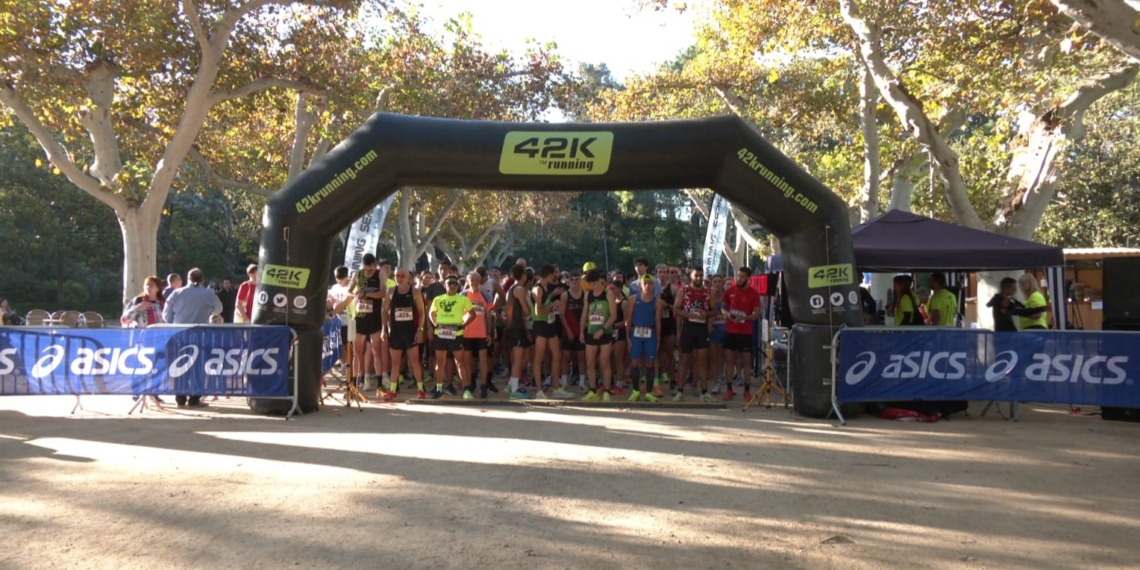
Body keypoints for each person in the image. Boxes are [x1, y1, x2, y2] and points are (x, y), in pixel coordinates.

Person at [163, 268, 223, 407]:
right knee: (198, 366)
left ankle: (180, 396)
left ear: (188, 278)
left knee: (179, 363)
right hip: (201, 335)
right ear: (202, 279)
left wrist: (174, 322)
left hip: (179, 333)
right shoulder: (208, 293)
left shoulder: (177, 293)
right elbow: (219, 309)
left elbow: (166, 315)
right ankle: (195, 398)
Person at [381, 267, 426, 399]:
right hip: (395, 331)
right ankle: (393, 390)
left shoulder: (415, 292)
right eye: (397, 276)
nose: (399, 278)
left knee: (415, 362)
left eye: (402, 276)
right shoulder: (390, 291)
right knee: (395, 363)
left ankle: (420, 389)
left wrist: (420, 329)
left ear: (409, 279)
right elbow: (385, 311)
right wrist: (384, 329)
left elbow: (422, 312)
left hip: (410, 331)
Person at [428, 275, 476, 399]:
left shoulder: (463, 299)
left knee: (460, 362)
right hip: (441, 334)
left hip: (456, 334)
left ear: (458, 285)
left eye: (455, 283)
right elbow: (431, 313)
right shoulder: (438, 299)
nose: (453, 285)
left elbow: (472, 314)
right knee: (440, 362)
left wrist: (464, 325)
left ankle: (466, 389)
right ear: (445, 285)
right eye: (449, 283)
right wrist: (435, 325)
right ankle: (439, 389)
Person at [121, 276, 166, 404]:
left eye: (152, 285)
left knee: (157, 367)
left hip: (159, 341)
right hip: (141, 340)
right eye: (147, 285)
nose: (148, 287)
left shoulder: (162, 303)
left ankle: (154, 392)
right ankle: (137, 392)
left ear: (157, 288)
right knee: (139, 367)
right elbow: (124, 319)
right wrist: (136, 309)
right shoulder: (138, 301)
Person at [674, 267, 713, 403]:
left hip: (702, 328)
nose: (699, 278)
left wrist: (706, 314)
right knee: (684, 360)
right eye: (696, 275)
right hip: (688, 327)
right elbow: (676, 309)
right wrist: (688, 315)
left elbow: (714, 310)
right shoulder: (683, 290)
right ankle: (680, 391)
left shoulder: (708, 292)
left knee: (702, 361)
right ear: (691, 276)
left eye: (701, 276)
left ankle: (704, 391)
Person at [722, 267, 761, 401]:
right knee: (729, 360)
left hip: (745, 332)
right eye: (738, 276)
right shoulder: (730, 291)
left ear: (748, 278)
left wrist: (744, 318)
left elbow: (757, 314)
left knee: (746, 361)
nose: (739, 279)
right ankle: (729, 389)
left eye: (742, 276)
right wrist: (728, 314)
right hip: (730, 330)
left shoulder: (753, 294)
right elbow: (723, 308)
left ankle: (747, 390)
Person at [579, 268, 619, 401]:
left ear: (600, 282)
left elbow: (613, 316)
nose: (592, 286)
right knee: (590, 362)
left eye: (594, 284)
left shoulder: (608, 294)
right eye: (590, 284)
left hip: (605, 332)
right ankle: (592, 389)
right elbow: (584, 314)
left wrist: (602, 329)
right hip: (591, 331)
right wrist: (581, 331)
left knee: (604, 362)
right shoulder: (588, 295)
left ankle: (607, 390)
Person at [531, 264, 568, 399]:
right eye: (554, 274)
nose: (556, 276)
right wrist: (552, 304)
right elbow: (538, 311)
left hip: (549, 323)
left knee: (557, 355)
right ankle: (539, 390)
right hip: (541, 325)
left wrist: (552, 301)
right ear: (550, 274)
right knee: (539, 358)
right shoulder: (538, 289)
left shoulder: (545, 287)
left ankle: (556, 388)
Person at [625, 274, 664, 403]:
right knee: (635, 362)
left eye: (650, 283)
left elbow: (658, 321)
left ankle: (649, 391)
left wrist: (658, 339)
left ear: (653, 285)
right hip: (636, 333)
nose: (647, 286)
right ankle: (635, 391)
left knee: (650, 363)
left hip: (650, 333)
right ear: (640, 285)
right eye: (645, 283)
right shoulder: (633, 299)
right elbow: (628, 320)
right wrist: (628, 337)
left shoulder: (657, 302)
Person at [351, 254, 387, 391]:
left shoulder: (380, 274)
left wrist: (366, 293)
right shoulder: (357, 274)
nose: (368, 272)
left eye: (370, 270)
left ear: (375, 265)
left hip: (374, 318)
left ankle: (379, 384)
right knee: (357, 352)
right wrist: (355, 295)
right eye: (366, 270)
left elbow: (383, 293)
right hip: (360, 317)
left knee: (376, 351)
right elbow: (349, 291)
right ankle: (354, 383)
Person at [462, 271, 497, 399]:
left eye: (477, 279)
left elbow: (489, 316)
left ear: (480, 280)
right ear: (467, 280)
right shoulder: (463, 295)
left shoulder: (486, 295)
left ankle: (483, 385)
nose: (474, 282)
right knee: (468, 361)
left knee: (483, 361)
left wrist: (489, 333)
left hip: (481, 333)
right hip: (466, 334)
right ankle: (470, 383)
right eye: (472, 279)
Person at [503, 264, 532, 398]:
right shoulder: (519, 289)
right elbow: (526, 310)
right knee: (519, 358)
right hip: (515, 327)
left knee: (522, 356)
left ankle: (511, 384)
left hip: (516, 327)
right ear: (523, 275)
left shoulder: (511, 289)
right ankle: (514, 390)